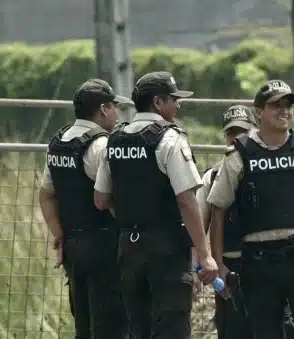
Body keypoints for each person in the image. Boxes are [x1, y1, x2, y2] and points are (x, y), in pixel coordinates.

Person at [207, 80, 294, 339]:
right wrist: (218, 263)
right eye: (276, 105)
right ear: (259, 112)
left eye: (288, 105)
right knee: (265, 332)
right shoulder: (238, 156)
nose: (284, 111)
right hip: (259, 262)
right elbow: (218, 210)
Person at [94, 71, 219, 339]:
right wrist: (204, 254)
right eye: (174, 99)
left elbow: (101, 199)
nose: (178, 105)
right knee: (171, 327)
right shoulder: (170, 139)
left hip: (128, 248)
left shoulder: (114, 140)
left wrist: (132, 216)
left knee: (138, 328)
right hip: (167, 250)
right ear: (158, 102)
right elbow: (187, 200)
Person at [39, 79, 130, 339]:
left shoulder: (59, 143)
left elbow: (45, 195)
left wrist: (58, 234)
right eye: (115, 107)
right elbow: (112, 197)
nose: (117, 113)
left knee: (84, 326)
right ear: (103, 109)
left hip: (74, 249)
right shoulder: (100, 146)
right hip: (103, 246)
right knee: (110, 326)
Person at [195, 105, 257, 339]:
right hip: (231, 269)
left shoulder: (267, 170)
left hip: (268, 265)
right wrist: (203, 265)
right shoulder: (212, 176)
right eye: (231, 133)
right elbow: (199, 225)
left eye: (243, 131)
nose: (236, 138)